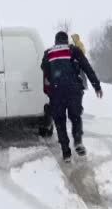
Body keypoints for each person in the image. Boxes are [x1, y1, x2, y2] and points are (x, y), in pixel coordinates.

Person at [41, 31, 103, 163]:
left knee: (60, 121)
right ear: (66, 40)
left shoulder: (48, 53)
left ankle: (66, 152)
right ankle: (78, 141)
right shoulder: (73, 50)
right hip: (73, 89)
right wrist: (96, 85)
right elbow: (87, 67)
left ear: (56, 41)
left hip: (56, 91)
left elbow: (44, 69)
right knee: (75, 117)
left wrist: (53, 78)